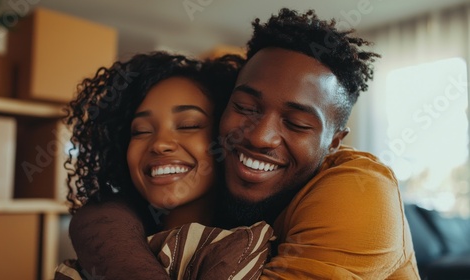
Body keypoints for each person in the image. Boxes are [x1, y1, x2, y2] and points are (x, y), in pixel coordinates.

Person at [68, 8, 420, 280]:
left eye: (297, 123)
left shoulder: (359, 189)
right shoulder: (223, 203)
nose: (258, 136)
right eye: (245, 108)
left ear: (334, 143)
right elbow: (104, 217)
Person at [54, 51, 274, 280]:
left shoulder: (248, 247)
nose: (159, 144)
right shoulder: (101, 249)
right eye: (141, 131)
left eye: (189, 125)